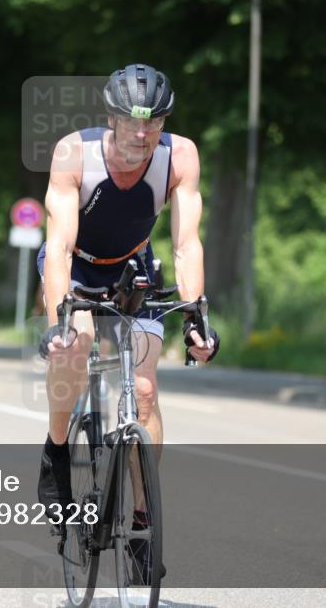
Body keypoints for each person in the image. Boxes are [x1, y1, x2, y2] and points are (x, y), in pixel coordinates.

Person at [36, 64, 220, 580]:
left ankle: (142, 520)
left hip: (134, 265)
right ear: (111, 118)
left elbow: (186, 244)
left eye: (154, 122)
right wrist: (59, 320)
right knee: (76, 346)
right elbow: (59, 246)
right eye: (132, 121)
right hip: (75, 264)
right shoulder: (75, 152)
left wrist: (194, 317)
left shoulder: (179, 156)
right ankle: (55, 455)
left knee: (142, 390)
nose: (142, 133)